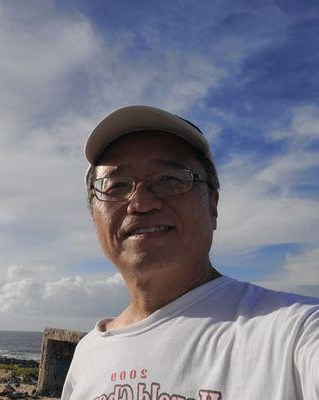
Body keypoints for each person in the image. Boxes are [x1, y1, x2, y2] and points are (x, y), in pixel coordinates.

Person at [61, 106, 319, 400]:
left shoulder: (293, 333)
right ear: (94, 216)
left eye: (171, 179)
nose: (142, 203)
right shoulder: (89, 354)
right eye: (116, 185)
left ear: (213, 205)